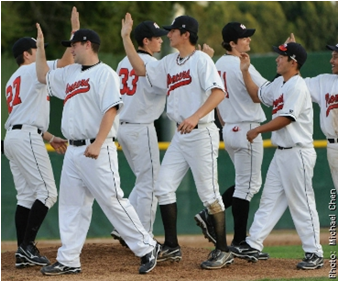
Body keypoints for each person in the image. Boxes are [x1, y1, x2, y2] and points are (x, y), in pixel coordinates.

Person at [35, 24, 160, 275]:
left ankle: (147, 246)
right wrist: (39, 46)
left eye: (74, 44)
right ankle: (69, 259)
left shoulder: (105, 74)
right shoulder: (70, 73)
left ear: (88, 45)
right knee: (72, 206)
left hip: (97, 148)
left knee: (112, 200)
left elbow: (111, 109)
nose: (71, 49)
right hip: (73, 151)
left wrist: (99, 142)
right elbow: (42, 76)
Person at [121, 13, 233, 270]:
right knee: (162, 187)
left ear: (185, 34)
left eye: (172, 31)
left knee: (209, 194)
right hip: (181, 135)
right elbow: (140, 68)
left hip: (202, 131)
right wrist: (126, 38)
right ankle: (171, 246)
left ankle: (223, 249)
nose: (168, 34)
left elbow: (219, 92)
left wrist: (195, 116)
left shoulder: (201, 60)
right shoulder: (170, 62)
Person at [235, 42, 324, 270]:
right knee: (269, 199)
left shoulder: (298, 86)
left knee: (302, 204)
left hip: (298, 152)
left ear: (293, 63)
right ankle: (253, 243)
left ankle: (315, 252)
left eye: (282, 56)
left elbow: (286, 118)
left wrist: (258, 129)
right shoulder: (279, 84)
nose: (277, 59)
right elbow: (256, 95)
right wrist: (245, 70)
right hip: (282, 152)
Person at [3, 6, 79, 269]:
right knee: (47, 192)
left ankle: (22, 250)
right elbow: (69, 61)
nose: (41, 54)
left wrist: (48, 135)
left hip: (13, 138)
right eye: (37, 49)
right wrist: (74, 34)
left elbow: (25, 114)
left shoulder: (13, 78)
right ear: (27, 54)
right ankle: (27, 246)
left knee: (26, 196)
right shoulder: (31, 71)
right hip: (25, 139)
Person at [194, 22, 268, 262]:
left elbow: (213, 98)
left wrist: (225, 126)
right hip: (248, 128)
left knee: (245, 184)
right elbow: (262, 93)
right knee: (248, 186)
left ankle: (211, 217)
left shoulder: (216, 65)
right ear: (232, 43)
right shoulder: (241, 64)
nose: (248, 40)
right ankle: (238, 241)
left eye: (247, 36)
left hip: (229, 129)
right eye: (243, 37)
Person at [110, 20, 168, 246]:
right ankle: (143, 235)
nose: (161, 39)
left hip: (122, 126)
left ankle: (123, 227)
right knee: (151, 183)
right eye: (157, 36)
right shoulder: (151, 63)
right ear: (146, 41)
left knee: (144, 181)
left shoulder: (124, 61)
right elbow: (166, 86)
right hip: (141, 126)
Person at [304, 43, 338, 194]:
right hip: (334, 146)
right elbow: (296, 85)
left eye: (336, 57)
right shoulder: (324, 82)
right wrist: (292, 54)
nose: (331, 61)